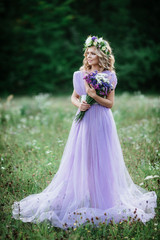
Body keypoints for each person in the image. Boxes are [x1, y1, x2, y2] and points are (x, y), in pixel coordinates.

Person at [12, 35, 157, 230]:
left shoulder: (110, 76)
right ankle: (79, 196)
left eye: (93, 54)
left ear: (101, 56)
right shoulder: (78, 74)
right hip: (83, 121)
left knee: (102, 159)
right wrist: (79, 104)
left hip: (102, 121)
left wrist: (95, 96)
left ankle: (103, 201)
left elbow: (110, 104)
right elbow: (73, 97)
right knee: (81, 159)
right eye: (87, 53)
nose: (88, 56)